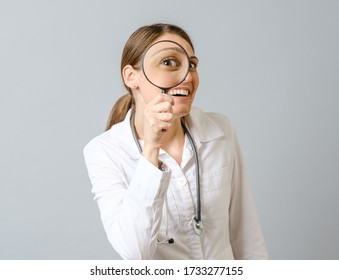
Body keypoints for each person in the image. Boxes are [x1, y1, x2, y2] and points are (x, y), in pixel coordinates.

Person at [83, 23, 268, 260]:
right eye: (169, 62)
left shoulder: (220, 131)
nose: (188, 77)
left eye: (191, 64)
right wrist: (151, 148)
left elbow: (248, 237)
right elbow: (135, 251)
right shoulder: (104, 151)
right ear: (131, 77)